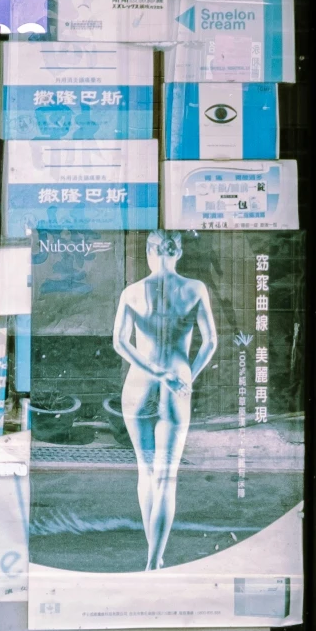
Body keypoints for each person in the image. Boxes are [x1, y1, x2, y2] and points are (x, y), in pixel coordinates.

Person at [112, 230, 218, 569]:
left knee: (145, 472)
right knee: (166, 476)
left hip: (140, 381)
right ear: (179, 251)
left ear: (149, 251)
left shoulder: (131, 292)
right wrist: (185, 377)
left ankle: (152, 560)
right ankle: (153, 560)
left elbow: (119, 342)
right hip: (177, 382)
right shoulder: (195, 289)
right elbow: (210, 342)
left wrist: (156, 374)